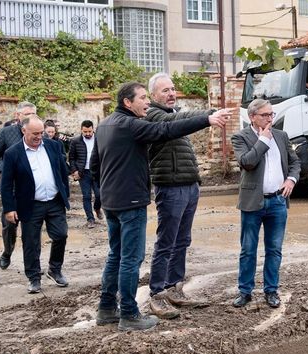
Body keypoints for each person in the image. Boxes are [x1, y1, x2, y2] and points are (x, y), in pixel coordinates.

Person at [90, 81, 233, 331]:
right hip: (130, 202)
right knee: (131, 259)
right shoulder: (131, 125)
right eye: (142, 98)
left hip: (112, 202)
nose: (147, 102)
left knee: (115, 256)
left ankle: (106, 309)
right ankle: (129, 314)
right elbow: (166, 130)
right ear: (127, 102)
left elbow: (95, 166)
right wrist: (207, 120)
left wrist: (101, 198)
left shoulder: (104, 125)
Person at [144, 73, 214, 319]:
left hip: (188, 185)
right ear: (153, 95)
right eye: (165, 90)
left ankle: (175, 288)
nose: (172, 93)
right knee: (166, 242)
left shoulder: (173, 114)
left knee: (182, 240)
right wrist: (208, 116)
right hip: (170, 187)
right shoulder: (153, 115)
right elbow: (177, 121)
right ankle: (157, 294)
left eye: (173, 89)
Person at [230, 98, 300, 309]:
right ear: (252, 117)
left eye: (271, 114)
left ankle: (271, 291)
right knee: (248, 250)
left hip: (278, 201)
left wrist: (291, 179)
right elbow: (247, 162)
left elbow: (295, 162)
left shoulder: (281, 135)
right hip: (253, 202)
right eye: (265, 115)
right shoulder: (240, 137)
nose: (270, 118)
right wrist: (263, 140)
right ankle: (245, 291)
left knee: (274, 249)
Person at [0, 116, 71, 294]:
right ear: (24, 131)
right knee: (31, 242)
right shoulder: (13, 153)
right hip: (30, 205)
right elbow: (6, 184)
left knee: (61, 235)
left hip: (54, 201)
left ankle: (55, 269)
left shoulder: (53, 146)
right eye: (35, 134)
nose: (39, 137)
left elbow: (62, 171)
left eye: (41, 133)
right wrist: (9, 208)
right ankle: (34, 277)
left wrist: (65, 193)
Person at [0, 101, 37, 270]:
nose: (30, 117)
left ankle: (32, 264)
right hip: (12, 189)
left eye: (33, 114)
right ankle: (7, 251)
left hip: (32, 190)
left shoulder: (39, 133)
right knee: (9, 226)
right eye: (27, 114)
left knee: (32, 229)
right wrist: (7, 168)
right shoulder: (7, 133)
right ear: (18, 116)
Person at [68, 120, 102, 228]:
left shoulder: (99, 139)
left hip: (97, 172)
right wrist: (74, 171)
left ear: (93, 129)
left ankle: (97, 208)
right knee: (86, 196)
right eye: (85, 132)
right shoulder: (75, 141)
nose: (87, 134)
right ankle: (90, 219)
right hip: (83, 173)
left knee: (99, 195)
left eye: (89, 131)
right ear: (81, 130)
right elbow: (71, 158)